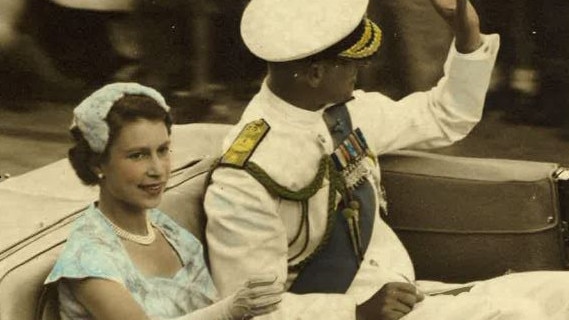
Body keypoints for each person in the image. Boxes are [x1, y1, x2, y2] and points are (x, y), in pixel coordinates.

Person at [204, 0, 569, 319]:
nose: (359, 70)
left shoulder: (340, 112)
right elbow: (250, 312)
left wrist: (467, 37)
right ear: (315, 73)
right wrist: (354, 313)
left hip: (414, 296)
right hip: (361, 313)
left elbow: (445, 115)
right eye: (350, 63)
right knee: (521, 315)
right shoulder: (247, 174)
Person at [44, 82, 283, 320]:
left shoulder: (167, 230)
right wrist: (229, 310)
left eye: (163, 150)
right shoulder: (86, 257)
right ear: (98, 164)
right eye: (138, 155)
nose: (158, 170)